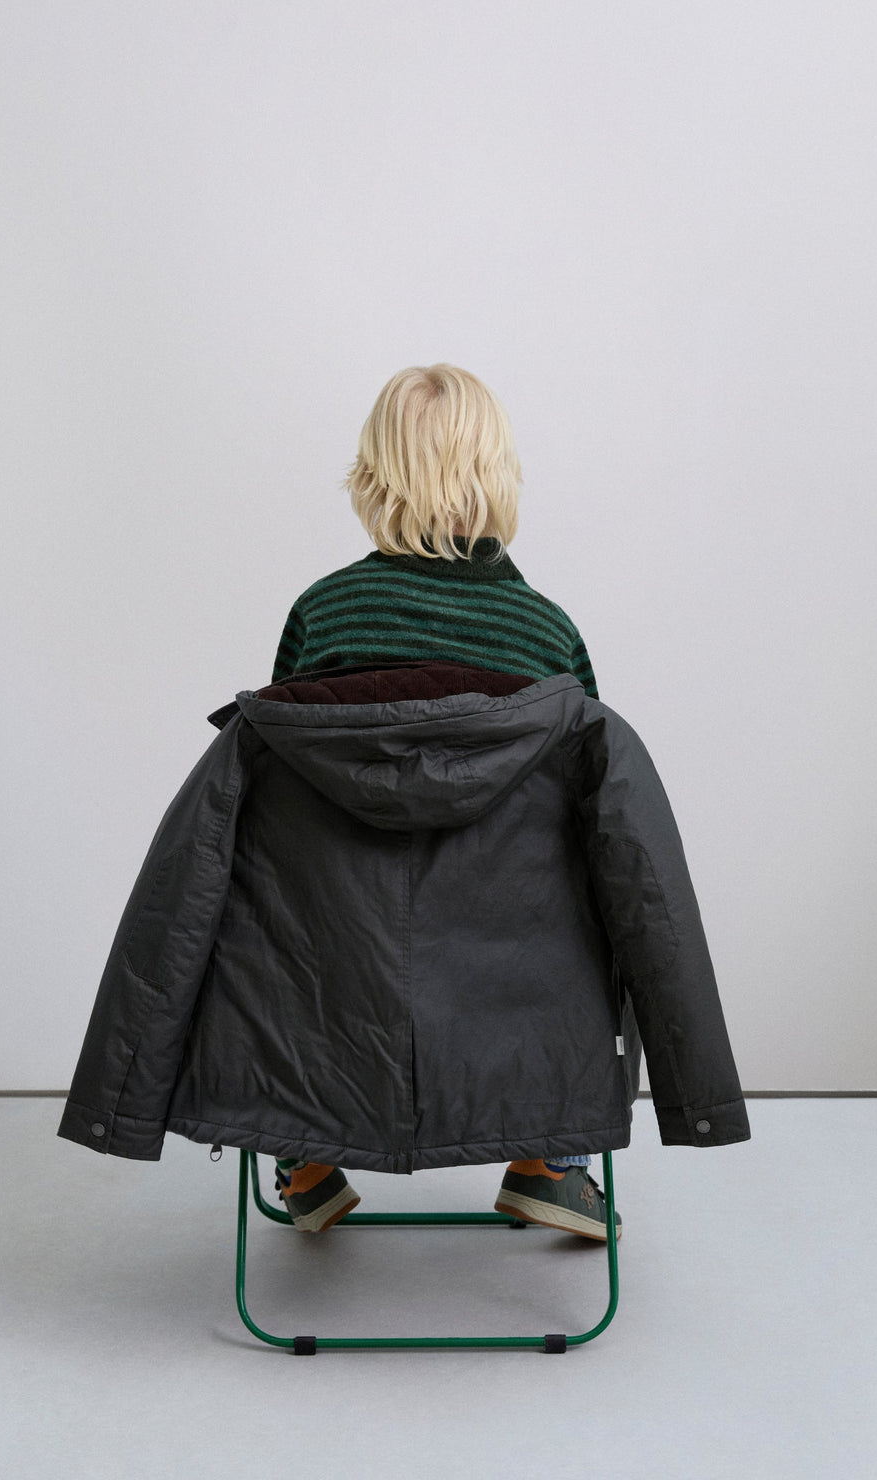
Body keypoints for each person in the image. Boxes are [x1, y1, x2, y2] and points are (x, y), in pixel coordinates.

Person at [267, 363, 619, 1242]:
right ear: (498, 474)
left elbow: (280, 789)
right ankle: (549, 1162)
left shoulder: (323, 617)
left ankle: (303, 1154)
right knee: (590, 880)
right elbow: (592, 810)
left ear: (374, 477)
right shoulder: (548, 636)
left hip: (339, 958)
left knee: (279, 891)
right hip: (510, 961)